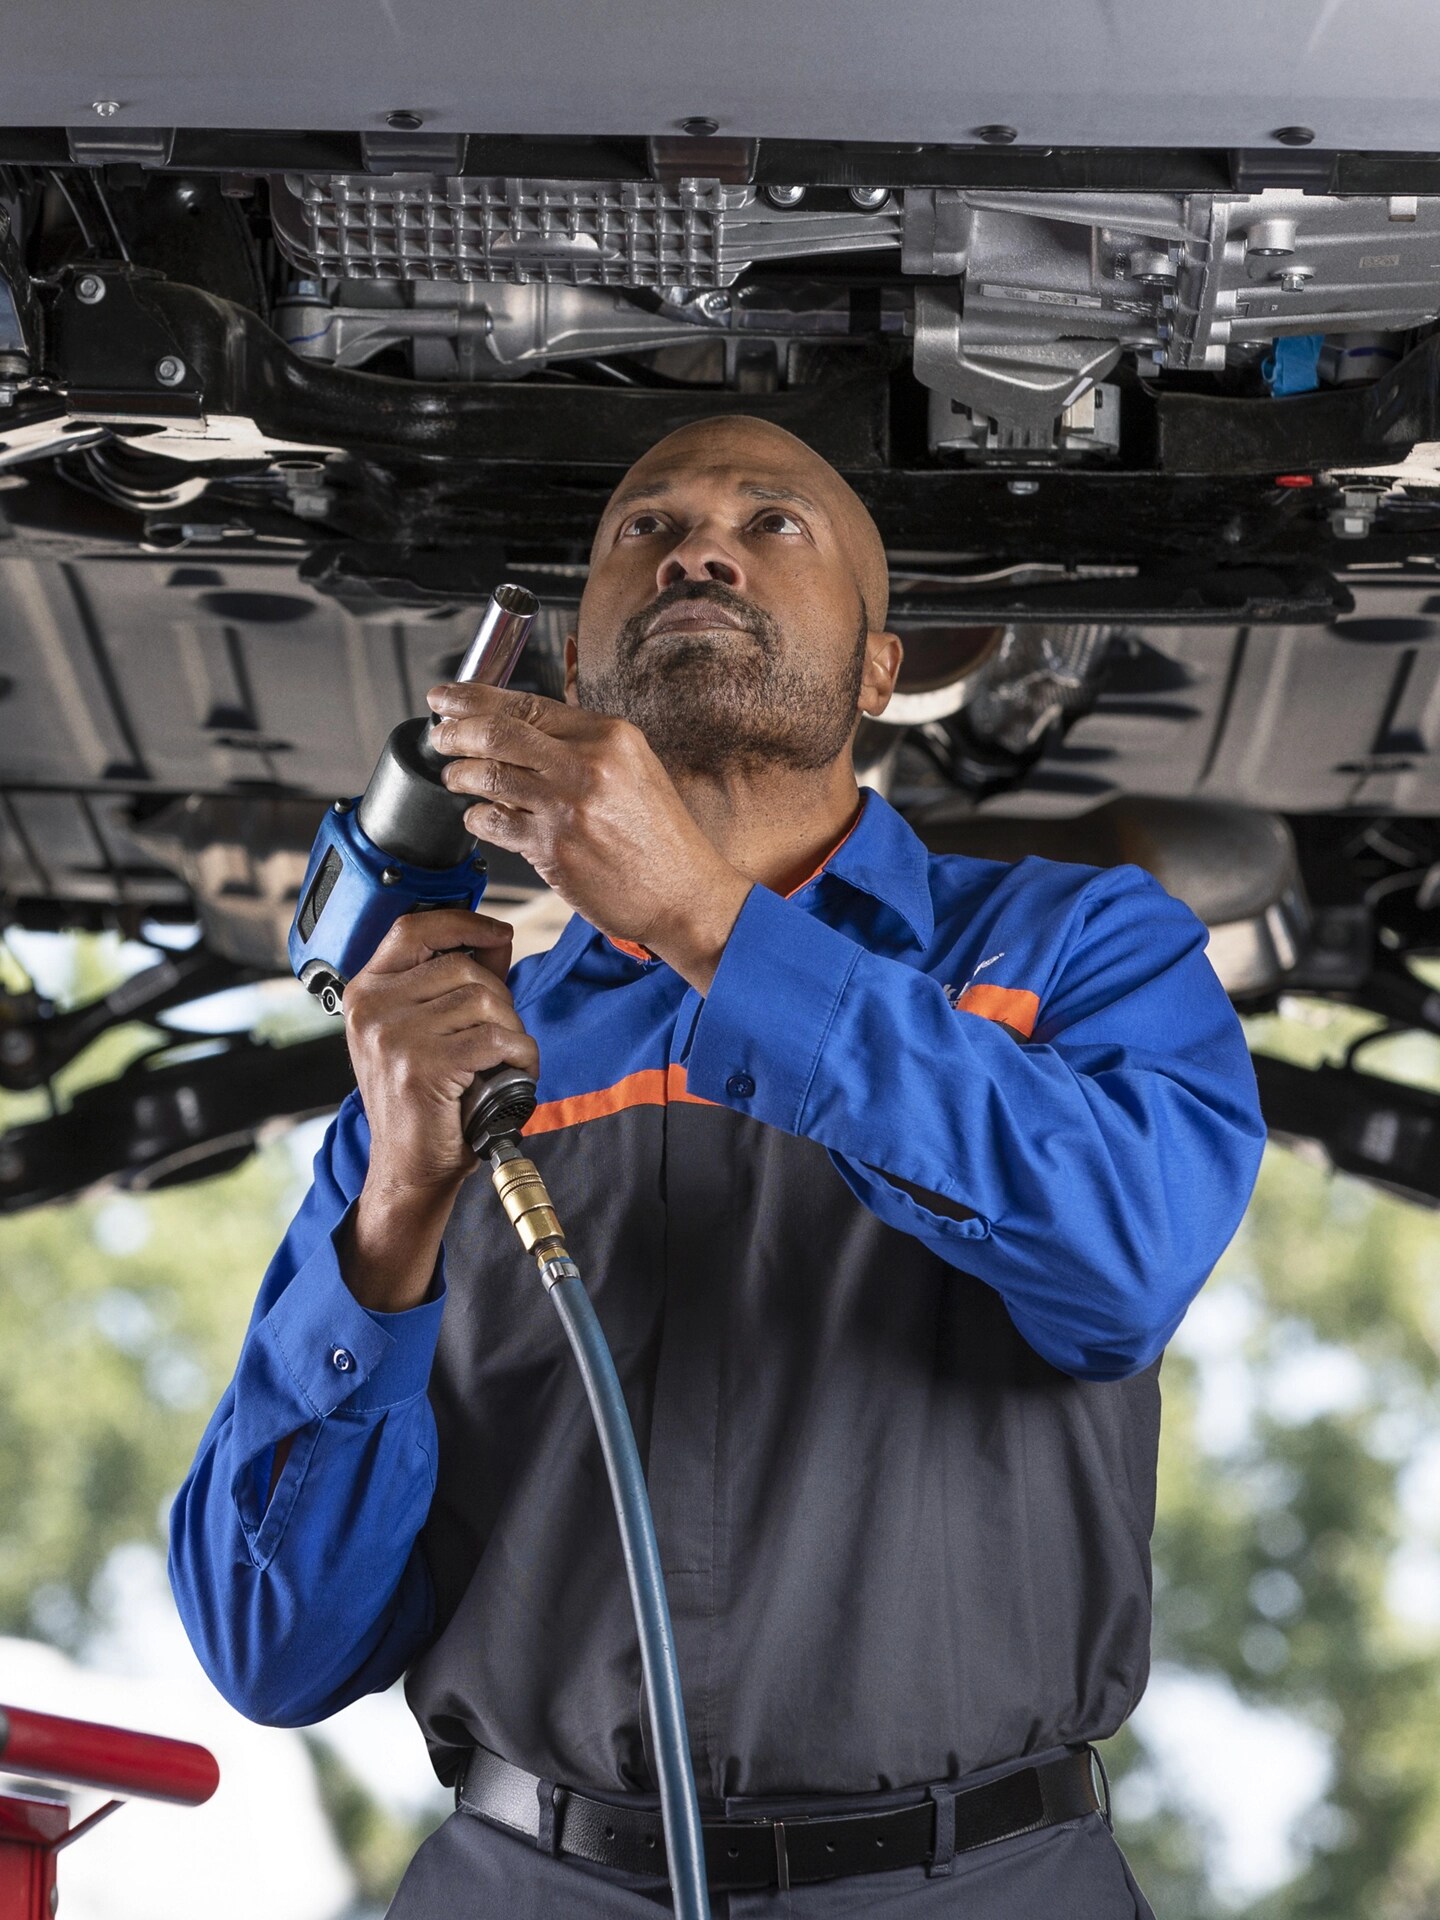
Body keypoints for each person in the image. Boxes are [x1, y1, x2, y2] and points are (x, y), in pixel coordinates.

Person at [170, 414, 1266, 1918]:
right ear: (571, 664)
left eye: (775, 525)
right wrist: (395, 1215)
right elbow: (269, 1645)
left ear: (881, 670)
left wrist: (711, 924)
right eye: (646, 529)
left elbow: (1126, 1256)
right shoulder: (451, 1058)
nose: (699, 546)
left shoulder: (1077, 948)